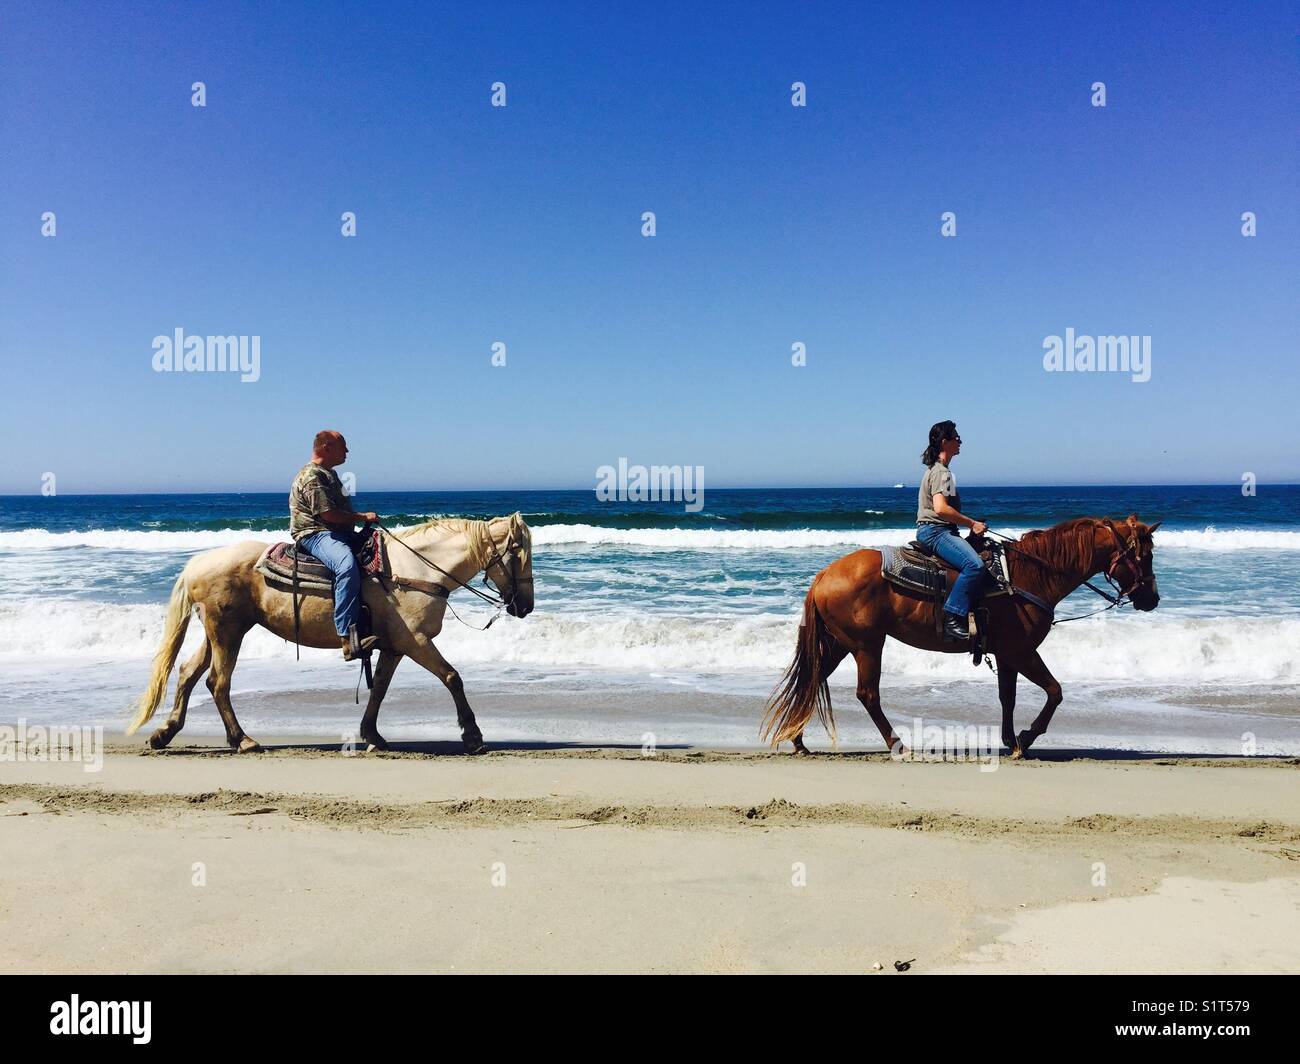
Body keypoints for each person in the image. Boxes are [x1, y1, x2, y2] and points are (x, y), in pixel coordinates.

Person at [289, 430, 381, 660]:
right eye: (344, 447)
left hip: (337, 532)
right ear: (326, 448)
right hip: (316, 534)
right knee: (346, 567)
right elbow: (328, 515)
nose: (348, 451)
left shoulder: (330, 474)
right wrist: (362, 517)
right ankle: (347, 638)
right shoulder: (312, 476)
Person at [915, 420, 987, 642]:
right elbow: (941, 508)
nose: (960, 441)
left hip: (939, 530)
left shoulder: (940, 470)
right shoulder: (942, 473)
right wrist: (971, 523)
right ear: (945, 442)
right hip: (935, 531)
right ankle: (952, 616)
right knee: (974, 565)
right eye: (956, 437)